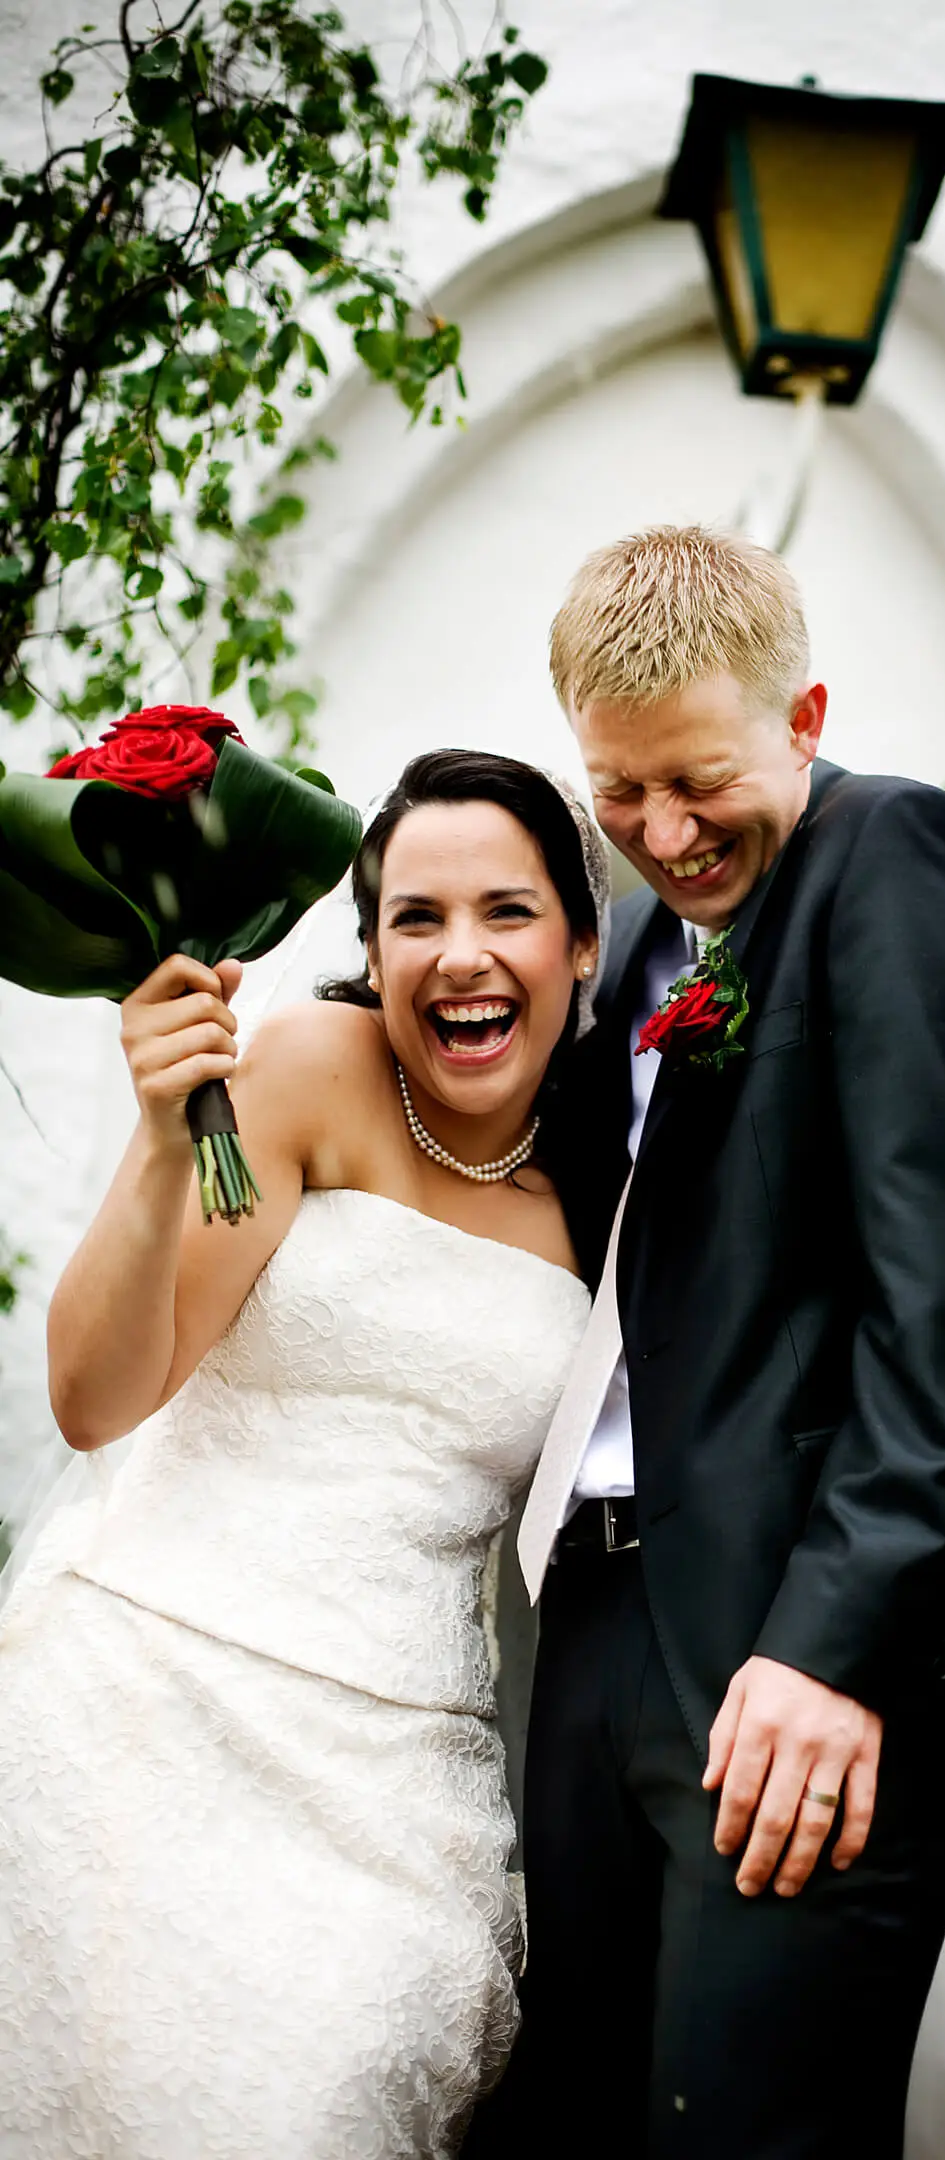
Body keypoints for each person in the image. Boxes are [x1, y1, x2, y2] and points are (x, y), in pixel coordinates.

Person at [492, 527, 945, 2158]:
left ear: (806, 716)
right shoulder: (635, 938)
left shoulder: (896, 857)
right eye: (620, 792)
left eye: (700, 781)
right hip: (602, 1625)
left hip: (800, 1635)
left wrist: (840, 1651)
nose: (665, 832)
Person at [0, 751, 609, 2160]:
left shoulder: (610, 1183)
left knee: (321, 2092)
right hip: (142, 1692)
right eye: (416, 917)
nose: (461, 954)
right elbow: (96, 1398)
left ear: (581, 946)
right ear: (374, 950)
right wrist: (167, 1141)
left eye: (508, 911)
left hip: (395, 1776)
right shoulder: (307, 1070)